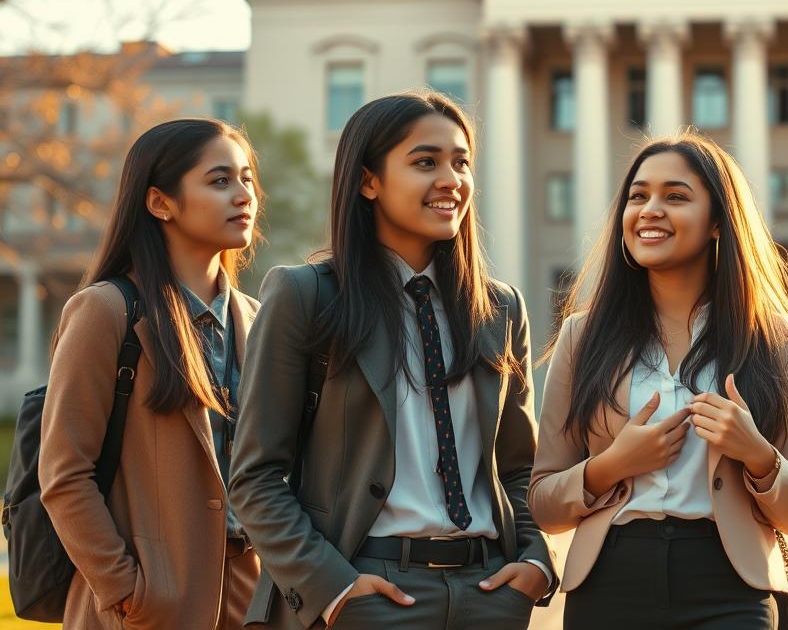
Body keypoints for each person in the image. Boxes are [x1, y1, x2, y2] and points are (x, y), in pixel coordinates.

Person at [229, 92, 555, 629]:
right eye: (425, 162)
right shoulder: (306, 296)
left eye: (461, 161)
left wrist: (536, 559)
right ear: (368, 182)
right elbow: (256, 477)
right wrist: (334, 588)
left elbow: (517, 467)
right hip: (369, 592)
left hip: (491, 592)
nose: (451, 179)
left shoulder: (500, 308)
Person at [530, 132, 788, 629]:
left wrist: (757, 455)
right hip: (609, 584)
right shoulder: (583, 336)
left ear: (717, 222)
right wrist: (612, 465)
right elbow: (543, 503)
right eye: (637, 196)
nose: (649, 209)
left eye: (675, 196)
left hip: (730, 588)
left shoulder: (775, 337)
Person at [39, 118, 263, 628]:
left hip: (251, 605)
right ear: (160, 202)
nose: (243, 194)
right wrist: (125, 588)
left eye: (247, 178)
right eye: (219, 180)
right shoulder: (106, 311)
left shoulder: (260, 318)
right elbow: (63, 474)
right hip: (146, 609)